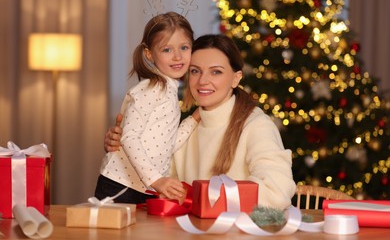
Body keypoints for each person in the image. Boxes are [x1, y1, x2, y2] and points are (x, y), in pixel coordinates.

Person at [104, 34, 296, 209]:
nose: (203, 81)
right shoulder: (185, 128)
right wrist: (122, 147)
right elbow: (156, 182)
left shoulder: (256, 126)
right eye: (195, 71)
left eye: (216, 72)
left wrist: (202, 197)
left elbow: (276, 192)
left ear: (235, 78)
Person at [95, 11, 198, 204]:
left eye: (184, 47)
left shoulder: (169, 90)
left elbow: (169, 144)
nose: (177, 56)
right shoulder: (152, 89)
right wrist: (156, 180)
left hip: (142, 186)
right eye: (167, 50)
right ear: (149, 53)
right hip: (120, 184)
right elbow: (129, 136)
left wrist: (194, 119)